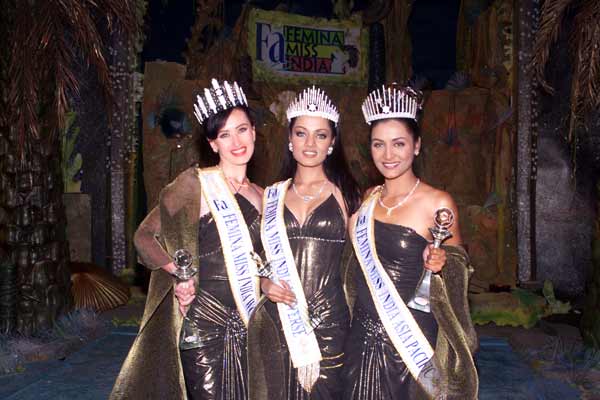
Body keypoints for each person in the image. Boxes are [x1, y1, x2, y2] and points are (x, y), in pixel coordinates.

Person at [111, 79, 263, 400]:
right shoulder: (194, 184)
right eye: (224, 135)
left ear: (254, 132)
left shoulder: (264, 197)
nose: (236, 141)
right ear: (213, 144)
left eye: (242, 130)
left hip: (250, 323)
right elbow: (144, 237)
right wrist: (179, 272)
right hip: (204, 321)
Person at [341, 85, 478, 399]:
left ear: (416, 146)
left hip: (411, 340)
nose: (388, 155)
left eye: (398, 143)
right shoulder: (368, 200)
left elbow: (459, 271)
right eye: (379, 144)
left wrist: (443, 263)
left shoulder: (437, 202)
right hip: (361, 337)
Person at [248, 86, 361, 400]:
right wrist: (263, 283)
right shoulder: (270, 196)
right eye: (301, 133)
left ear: (332, 142)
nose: (310, 144)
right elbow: (251, 256)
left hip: (331, 322)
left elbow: (369, 258)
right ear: (289, 139)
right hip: (280, 318)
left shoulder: (347, 195)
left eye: (320, 135)